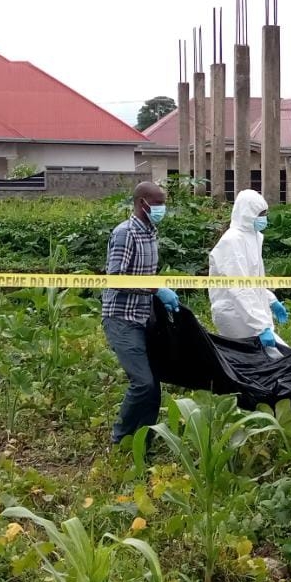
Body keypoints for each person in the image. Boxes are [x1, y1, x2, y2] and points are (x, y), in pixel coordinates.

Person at [102, 181, 180, 444]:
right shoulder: (126, 233)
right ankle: (120, 437)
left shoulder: (150, 232)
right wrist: (156, 289)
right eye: (157, 203)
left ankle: (142, 442)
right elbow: (116, 278)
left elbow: (146, 275)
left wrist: (157, 294)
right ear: (141, 202)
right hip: (121, 318)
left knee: (154, 386)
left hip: (143, 316)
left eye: (163, 203)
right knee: (143, 383)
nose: (162, 208)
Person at [208, 189, 289, 348]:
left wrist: (271, 300)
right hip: (233, 313)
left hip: (249, 312)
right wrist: (261, 326)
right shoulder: (232, 242)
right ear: (247, 213)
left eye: (264, 213)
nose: (263, 218)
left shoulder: (254, 237)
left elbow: (253, 280)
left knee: (269, 358)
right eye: (260, 214)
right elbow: (239, 288)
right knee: (254, 360)